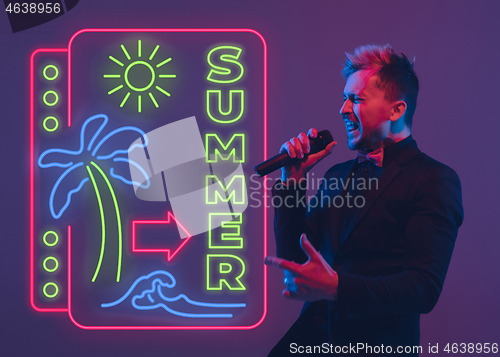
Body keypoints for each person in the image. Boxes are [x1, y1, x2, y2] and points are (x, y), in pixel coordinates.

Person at [264, 44, 464, 356]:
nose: (343, 109)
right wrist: (293, 181)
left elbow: (423, 288)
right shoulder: (335, 175)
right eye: (345, 97)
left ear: (396, 110)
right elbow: (296, 257)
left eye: (355, 99)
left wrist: (338, 288)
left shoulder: (433, 178)